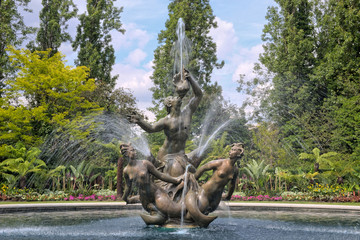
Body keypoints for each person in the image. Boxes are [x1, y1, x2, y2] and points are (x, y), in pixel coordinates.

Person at [129, 69, 202, 177]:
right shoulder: (166, 120)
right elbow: (151, 128)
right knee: (178, 173)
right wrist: (139, 121)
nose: (177, 97)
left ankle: (191, 177)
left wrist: (190, 79)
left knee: (203, 150)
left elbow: (199, 95)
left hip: (182, 155)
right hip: (167, 157)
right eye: (173, 98)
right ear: (169, 104)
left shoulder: (188, 112)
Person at [121, 143, 183, 225]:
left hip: (156, 194)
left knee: (174, 212)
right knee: (158, 217)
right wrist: (125, 198)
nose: (135, 152)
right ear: (126, 154)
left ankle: (189, 207)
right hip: (144, 199)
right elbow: (128, 187)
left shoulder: (144, 163)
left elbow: (160, 175)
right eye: (132, 151)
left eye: (134, 150)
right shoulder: (126, 171)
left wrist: (175, 181)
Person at [191, 143, 244, 215]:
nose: (230, 151)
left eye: (234, 150)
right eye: (231, 149)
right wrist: (193, 181)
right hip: (206, 191)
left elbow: (232, 184)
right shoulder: (220, 163)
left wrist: (229, 195)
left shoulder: (235, 170)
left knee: (209, 210)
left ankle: (199, 225)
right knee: (201, 209)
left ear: (238, 153)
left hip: (217, 196)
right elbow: (203, 168)